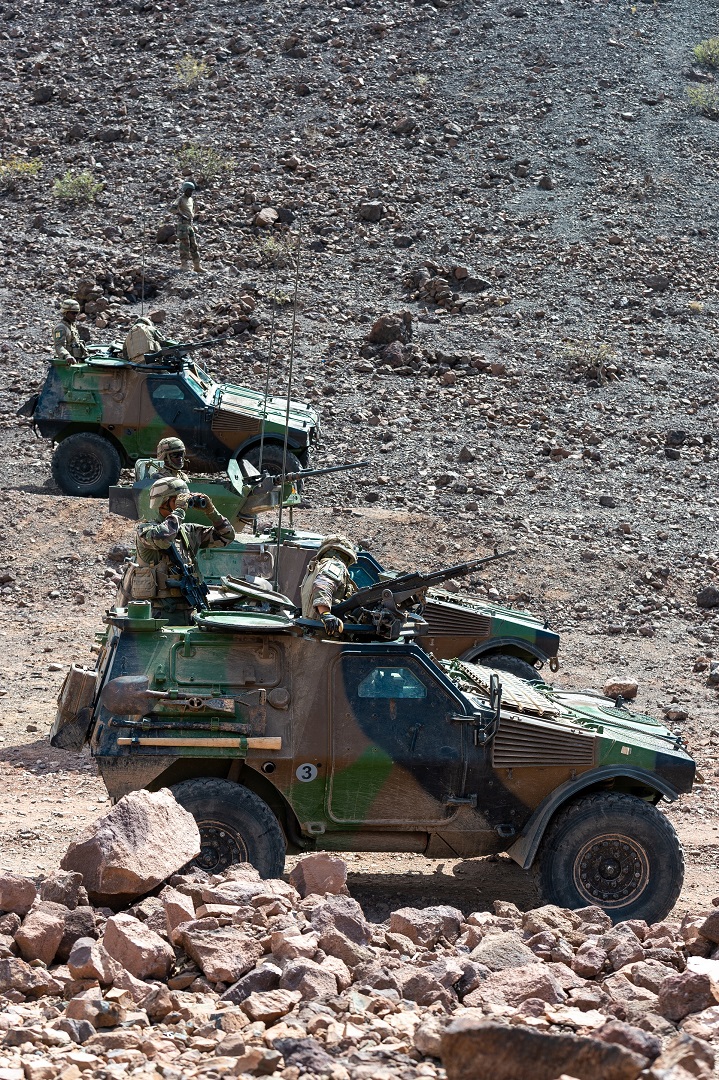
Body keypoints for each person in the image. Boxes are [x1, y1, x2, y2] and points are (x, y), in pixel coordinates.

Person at [123, 476, 234, 620]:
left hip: (190, 611)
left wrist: (211, 512)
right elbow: (163, 539)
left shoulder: (188, 532)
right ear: (163, 501)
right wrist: (179, 511)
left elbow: (227, 536)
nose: (184, 503)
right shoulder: (146, 530)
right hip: (159, 614)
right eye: (178, 499)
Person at [300, 534, 358, 636]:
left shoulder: (316, 568)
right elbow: (323, 585)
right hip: (325, 632)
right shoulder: (335, 564)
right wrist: (326, 614)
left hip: (313, 631)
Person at [173, 181, 204, 273]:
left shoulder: (191, 200)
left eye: (192, 191)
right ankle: (184, 265)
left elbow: (192, 210)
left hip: (189, 224)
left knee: (194, 245)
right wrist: (182, 215)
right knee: (184, 245)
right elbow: (172, 208)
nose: (191, 192)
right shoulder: (180, 199)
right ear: (185, 190)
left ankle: (197, 266)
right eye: (189, 190)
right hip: (182, 225)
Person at [53, 299, 89, 364]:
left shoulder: (72, 326)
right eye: (73, 313)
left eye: (76, 313)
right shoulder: (60, 328)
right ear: (65, 312)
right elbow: (59, 345)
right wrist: (67, 356)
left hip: (76, 361)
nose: (75, 315)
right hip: (66, 364)